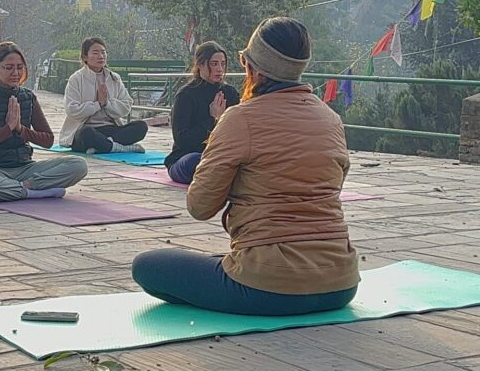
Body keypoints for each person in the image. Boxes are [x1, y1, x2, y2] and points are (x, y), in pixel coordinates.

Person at [132, 17, 359, 316]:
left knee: (147, 267)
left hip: (269, 286)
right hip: (340, 283)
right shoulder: (330, 119)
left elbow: (199, 205)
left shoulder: (240, 118)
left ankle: (250, 272)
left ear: (252, 68)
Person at [0, 41, 88, 202]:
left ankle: (26, 186)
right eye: (8, 67)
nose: (15, 72)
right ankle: (33, 192)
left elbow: (48, 140)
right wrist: (7, 129)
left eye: (19, 67)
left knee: (78, 165)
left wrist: (20, 129)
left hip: (26, 167)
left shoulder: (28, 97)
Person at [163, 41, 241, 184]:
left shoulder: (229, 93)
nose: (219, 69)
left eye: (223, 64)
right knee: (196, 161)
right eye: (214, 64)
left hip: (219, 155)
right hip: (188, 156)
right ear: (200, 65)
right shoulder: (186, 95)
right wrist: (213, 119)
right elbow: (182, 140)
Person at [59, 37, 147, 154]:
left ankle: (104, 145)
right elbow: (72, 110)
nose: (101, 56)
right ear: (85, 57)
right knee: (86, 133)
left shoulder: (114, 78)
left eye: (103, 52)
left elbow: (126, 106)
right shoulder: (76, 79)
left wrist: (106, 103)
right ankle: (117, 147)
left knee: (141, 127)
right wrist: (97, 104)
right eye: (95, 53)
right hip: (85, 129)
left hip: (109, 128)